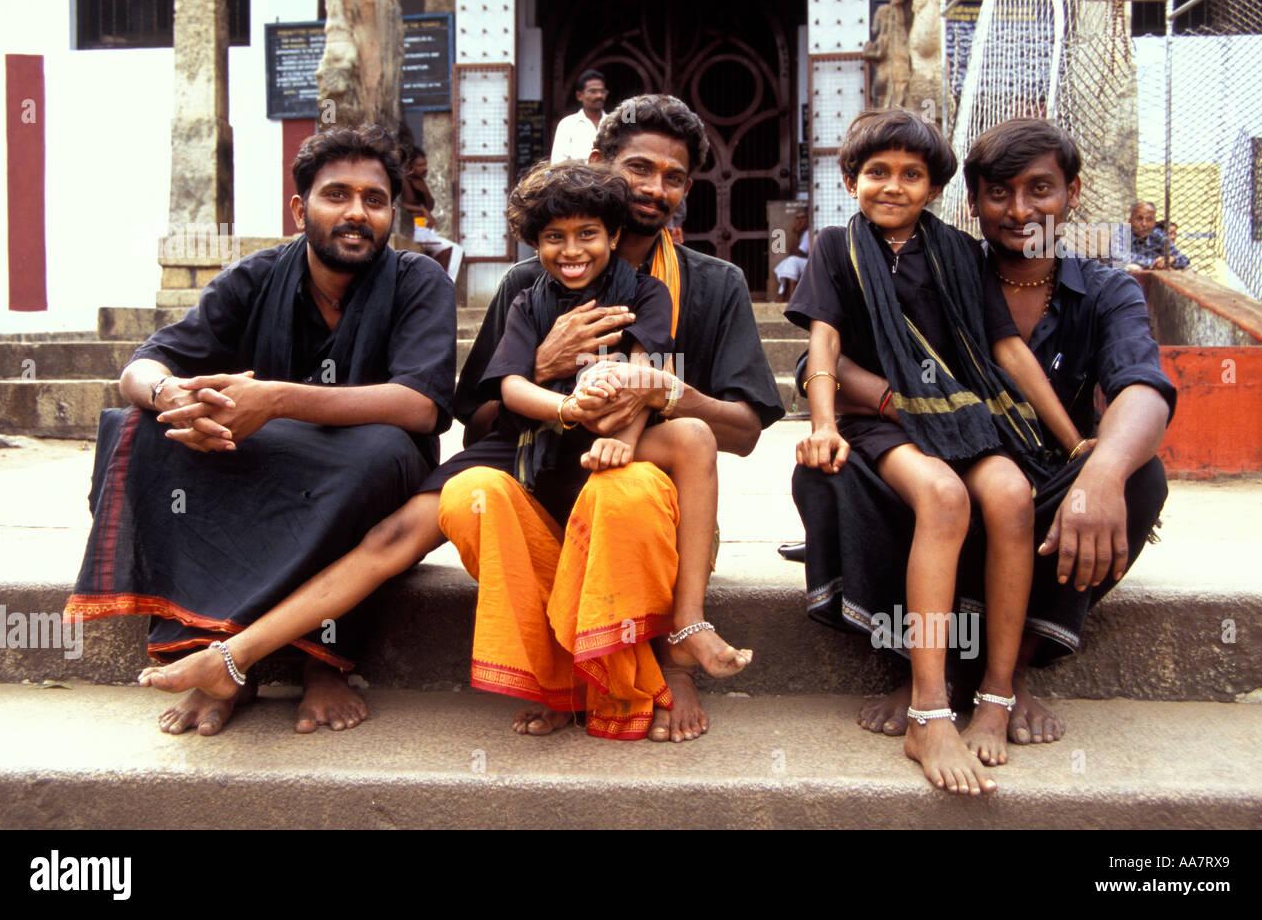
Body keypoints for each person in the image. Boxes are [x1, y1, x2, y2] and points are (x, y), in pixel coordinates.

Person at [136, 95, 785, 745]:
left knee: (628, 490)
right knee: (453, 504)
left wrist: (660, 393)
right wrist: (547, 372)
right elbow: (480, 422)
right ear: (597, 165)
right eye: (639, 169)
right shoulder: (530, 287)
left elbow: (743, 430)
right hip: (541, 474)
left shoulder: (711, 285)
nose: (654, 188)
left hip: (650, 502)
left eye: (674, 178)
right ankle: (234, 655)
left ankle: (674, 650)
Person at [794, 117, 1173, 760]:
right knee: (847, 475)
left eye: (1040, 190)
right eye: (999, 192)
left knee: (1098, 481)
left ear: (1072, 194)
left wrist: (1096, 465)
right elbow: (818, 360)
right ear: (972, 200)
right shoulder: (883, 253)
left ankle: (1004, 680)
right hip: (914, 449)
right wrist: (872, 409)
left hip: (1021, 471)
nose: (1020, 209)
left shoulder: (1093, 288)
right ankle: (923, 682)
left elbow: (1137, 384)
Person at [74, 124, 456, 737]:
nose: (357, 213)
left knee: (378, 453)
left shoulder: (418, 280)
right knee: (137, 428)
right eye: (337, 195)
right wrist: (173, 397)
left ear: (393, 213)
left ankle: (322, 659)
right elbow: (141, 367)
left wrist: (276, 400)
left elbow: (421, 406)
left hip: (367, 468)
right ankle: (208, 648)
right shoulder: (256, 276)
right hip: (267, 462)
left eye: (375, 199)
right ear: (301, 208)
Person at [428, 160, 733, 740]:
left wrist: (619, 423)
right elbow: (510, 387)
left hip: (622, 438)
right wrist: (566, 407)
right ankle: (558, 680)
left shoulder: (647, 291)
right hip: (552, 449)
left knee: (694, 434)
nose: (571, 251)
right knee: (466, 496)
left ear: (614, 235)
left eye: (587, 234)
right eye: (553, 237)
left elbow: (649, 367)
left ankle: (689, 620)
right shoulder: (527, 300)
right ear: (534, 242)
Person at [399, 140, 465, 281]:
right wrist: (422, 210)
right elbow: (403, 204)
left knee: (448, 251)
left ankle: (440, 282)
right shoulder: (404, 181)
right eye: (420, 165)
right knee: (455, 250)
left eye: (425, 164)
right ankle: (447, 283)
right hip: (415, 230)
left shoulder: (418, 181)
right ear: (410, 166)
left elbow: (430, 204)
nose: (424, 168)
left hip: (424, 229)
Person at [550, 69, 609, 163]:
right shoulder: (567, 124)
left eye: (602, 91)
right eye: (593, 91)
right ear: (579, 96)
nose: (599, 95)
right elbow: (557, 164)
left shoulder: (614, 123)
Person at [1127, 201, 1188, 271]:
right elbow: (1119, 258)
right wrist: (1154, 263)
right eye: (1139, 219)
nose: (1144, 224)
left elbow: (1184, 260)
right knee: (1132, 267)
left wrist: (1171, 260)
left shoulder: (1158, 234)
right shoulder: (1120, 231)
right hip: (1124, 280)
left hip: (1152, 278)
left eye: (1149, 220)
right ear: (1130, 220)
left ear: (1154, 222)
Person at [774, 208, 810, 301]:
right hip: (803, 261)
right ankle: (782, 293)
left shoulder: (808, 232)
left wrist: (796, 233)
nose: (800, 221)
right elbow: (792, 251)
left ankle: (792, 298)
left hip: (811, 262)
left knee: (791, 261)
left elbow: (800, 252)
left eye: (802, 218)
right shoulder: (802, 233)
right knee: (783, 264)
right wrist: (796, 234)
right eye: (797, 218)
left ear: (807, 219)